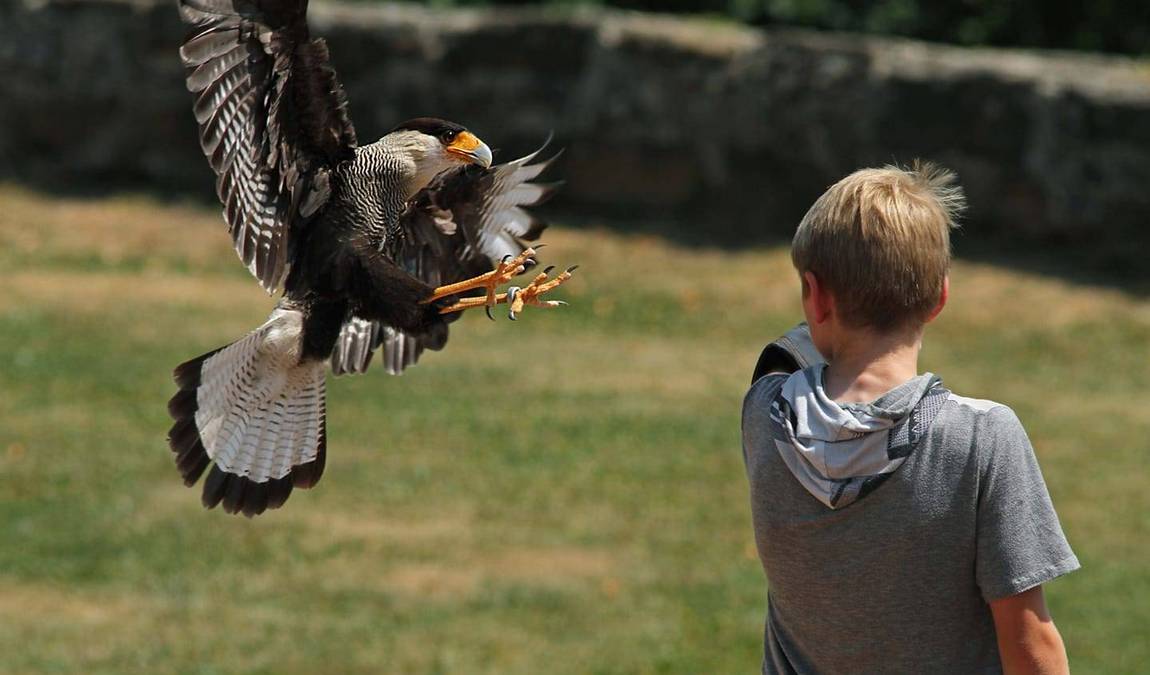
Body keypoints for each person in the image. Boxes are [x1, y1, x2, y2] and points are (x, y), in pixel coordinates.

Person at [741, 162, 1079, 674]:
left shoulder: (764, 415)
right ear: (940, 296)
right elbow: (1031, 642)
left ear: (815, 295)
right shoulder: (981, 438)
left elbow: (792, 351)